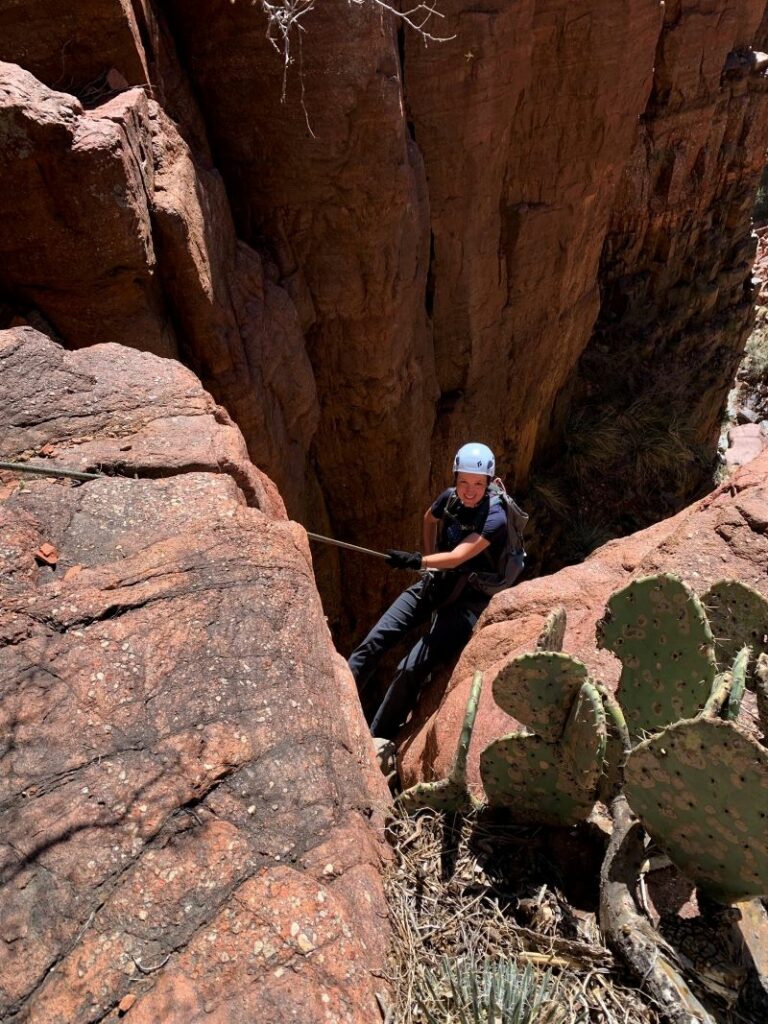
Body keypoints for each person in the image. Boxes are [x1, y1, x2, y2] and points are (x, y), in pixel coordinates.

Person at [348, 442, 522, 740]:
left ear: (489, 483)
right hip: (438, 583)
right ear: (455, 479)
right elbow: (429, 519)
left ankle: (378, 739)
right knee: (377, 638)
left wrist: (420, 560)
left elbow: (457, 557)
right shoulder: (450, 499)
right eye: (463, 482)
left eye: (477, 484)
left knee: (411, 668)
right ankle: (339, 704)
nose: (469, 491)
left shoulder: (496, 518)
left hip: (466, 603)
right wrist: (429, 562)